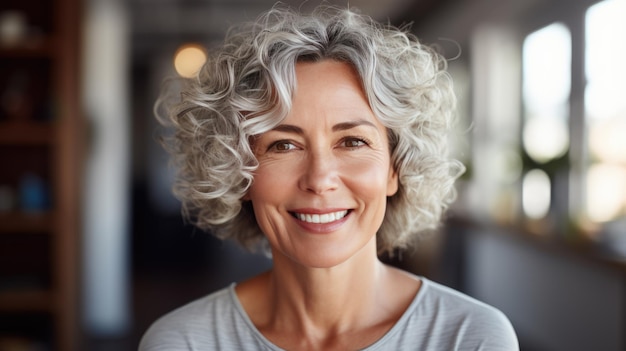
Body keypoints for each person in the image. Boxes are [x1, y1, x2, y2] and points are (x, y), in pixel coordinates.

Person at [139, 4, 518, 351]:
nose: (319, 179)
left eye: (352, 141)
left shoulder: (472, 338)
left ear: (395, 169)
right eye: (283, 145)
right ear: (238, 173)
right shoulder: (181, 342)